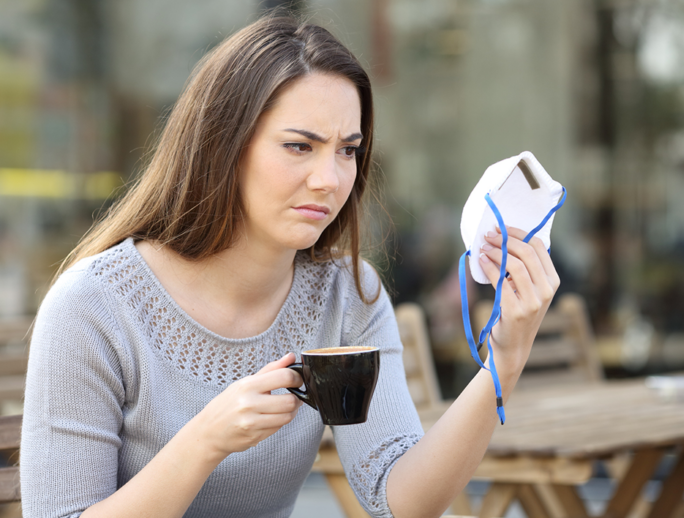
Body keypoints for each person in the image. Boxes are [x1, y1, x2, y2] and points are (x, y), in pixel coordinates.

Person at [20, 13, 560, 518]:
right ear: (223, 146)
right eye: (300, 146)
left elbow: (400, 499)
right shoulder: (93, 307)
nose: (330, 178)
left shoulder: (348, 294)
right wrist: (205, 441)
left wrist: (504, 364)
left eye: (348, 150)